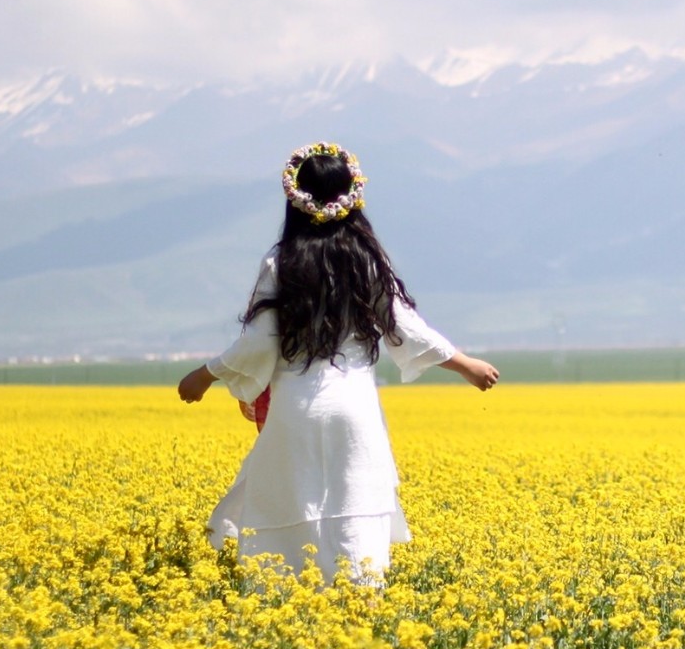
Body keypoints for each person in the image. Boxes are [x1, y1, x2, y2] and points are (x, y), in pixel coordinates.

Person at [176, 142, 498, 586]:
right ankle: (360, 601)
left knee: (290, 508)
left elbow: (259, 341)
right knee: (355, 509)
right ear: (352, 197)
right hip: (354, 407)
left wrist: (206, 374)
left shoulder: (282, 261)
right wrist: (465, 363)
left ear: (295, 200)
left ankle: (285, 603)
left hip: (297, 407)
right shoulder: (366, 258)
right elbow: (401, 323)